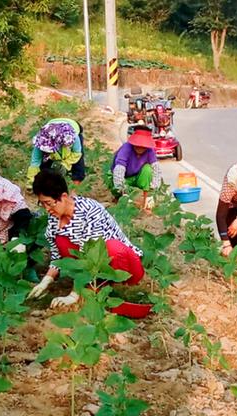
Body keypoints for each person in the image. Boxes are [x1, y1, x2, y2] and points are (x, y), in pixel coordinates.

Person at [27, 171, 144, 308]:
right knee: (62, 240)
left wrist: (74, 295)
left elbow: (91, 256)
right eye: (42, 204)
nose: (47, 209)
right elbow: (57, 255)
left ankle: (104, 288)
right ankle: (92, 286)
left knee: (112, 247)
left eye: (49, 203)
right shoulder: (55, 217)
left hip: (124, 265)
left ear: (64, 196)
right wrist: (46, 281)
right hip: (93, 269)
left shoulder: (90, 211)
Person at [109, 127, 163, 207]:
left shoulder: (150, 150)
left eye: (143, 146)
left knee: (148, 168)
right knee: (116, 189)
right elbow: (119, 169)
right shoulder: (126, 148)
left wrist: (155, 187)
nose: (140, 148)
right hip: (124, 178)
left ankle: (146, 200)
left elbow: (156, 168)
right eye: (138, 145)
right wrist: (122, 189)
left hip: (137, 177)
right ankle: (119, 198)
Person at [27, 119, 85, 185]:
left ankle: (76, 185)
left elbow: (77, 153)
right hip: (53, 125)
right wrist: (31, 181)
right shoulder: (41, 140)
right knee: (43, 165)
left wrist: (65, 164)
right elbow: (35, 162)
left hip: (72, 126)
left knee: (78, 165)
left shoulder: (73, 136)